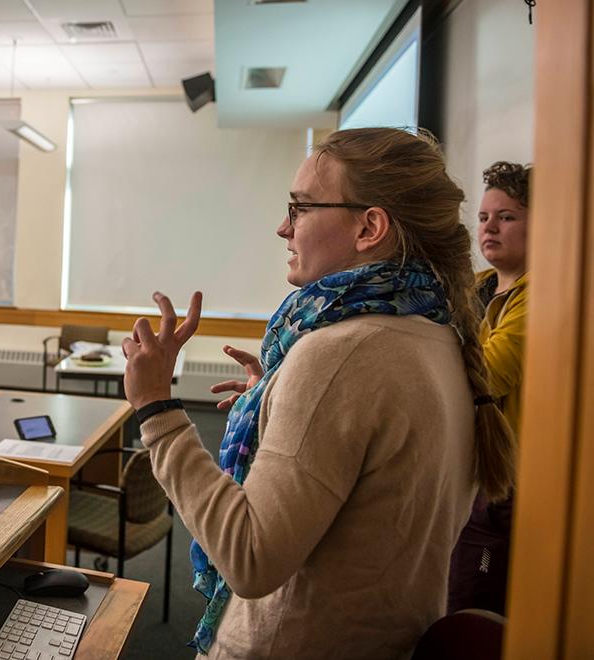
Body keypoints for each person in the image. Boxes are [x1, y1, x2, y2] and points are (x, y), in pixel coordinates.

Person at [120, 128, 515, 658]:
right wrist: (280, 401)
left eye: (300, 208)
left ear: (369, 227)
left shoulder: (341, 353)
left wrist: (156, 407)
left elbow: (251, 558)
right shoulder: (437, 333)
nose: (282, 227)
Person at [448, 161, 531, 615]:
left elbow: (492, 370)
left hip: (502, 483)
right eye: (483, 217)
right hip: (464, 470)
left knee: (470, 606)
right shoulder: (474, 287)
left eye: (508, 217)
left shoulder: (542, 294)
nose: (490, 227)